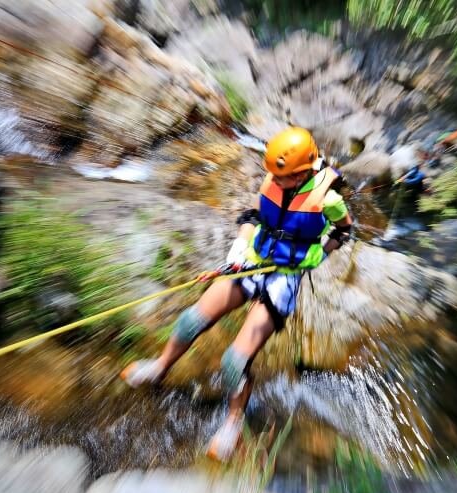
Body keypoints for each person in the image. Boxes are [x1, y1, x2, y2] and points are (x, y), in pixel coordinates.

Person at [120, 127, 353, 461]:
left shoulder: (328, 199)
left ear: (302, 172)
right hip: (253, 261)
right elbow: (254, 216)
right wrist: (240, 249)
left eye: (282, 175)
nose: (274, 179)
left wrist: (318, 254)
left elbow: (344, 229)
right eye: (273, 173)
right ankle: (160, 367)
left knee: (234, 360)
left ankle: (232, 423)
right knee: (191, 320)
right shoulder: (275, 181)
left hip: (283, 277)